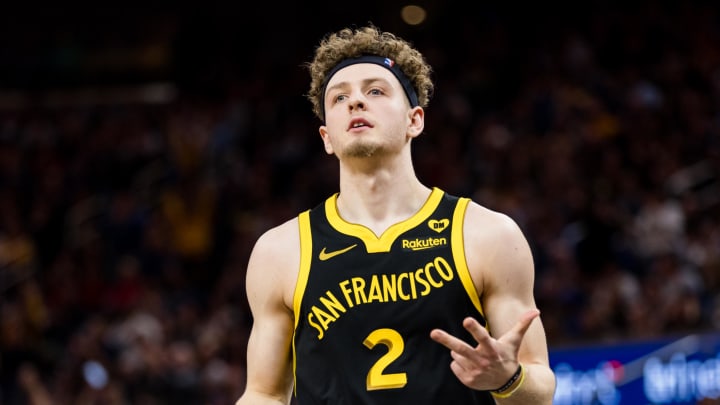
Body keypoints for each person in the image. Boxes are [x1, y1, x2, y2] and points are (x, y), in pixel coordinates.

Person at [235, 24, 556, 405]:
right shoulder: (280, 251)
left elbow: (540, 388)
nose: (355, 102)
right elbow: (263, 395)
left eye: (375, 91)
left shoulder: (487, 234)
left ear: (414, 120)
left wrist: (509, 380)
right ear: (326, 138)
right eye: (339, 98)